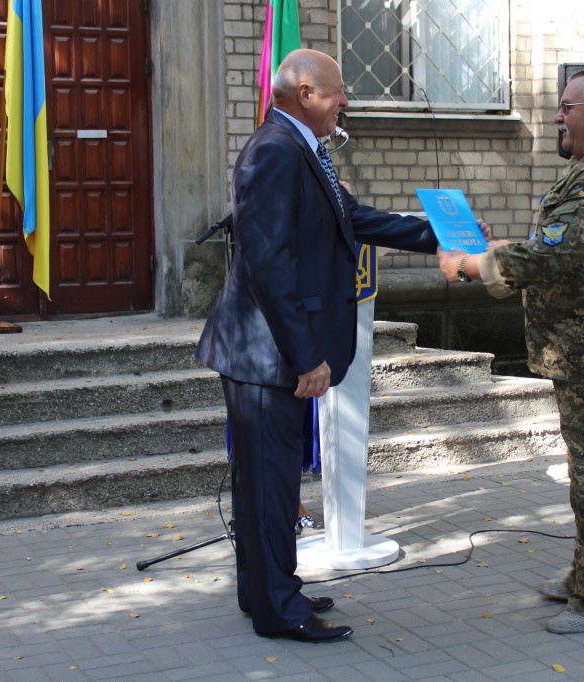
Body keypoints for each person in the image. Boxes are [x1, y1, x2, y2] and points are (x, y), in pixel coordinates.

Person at [196, 48, 441, 643]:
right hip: (266, 354)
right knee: (269, 485)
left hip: (273, 348)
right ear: (305, 93)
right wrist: (305, 355)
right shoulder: (275, 152)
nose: (345, 101)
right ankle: (279, 612)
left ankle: (266, 591)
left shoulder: (302, 146)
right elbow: (268, 264)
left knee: (270, 484)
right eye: (337, 91)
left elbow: (353, 219)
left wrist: (437, 235)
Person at [437, 68, 584, 634]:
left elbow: (552, 255)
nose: (557, 117)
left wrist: (471, 265)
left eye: (568, 107)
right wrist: (500, 249)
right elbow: (567, 244)